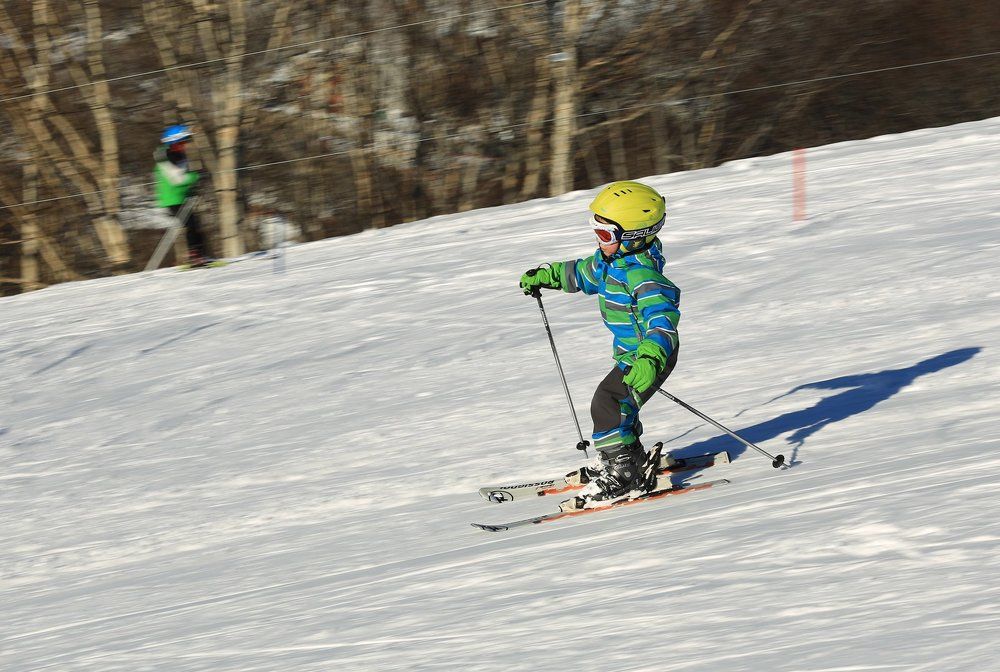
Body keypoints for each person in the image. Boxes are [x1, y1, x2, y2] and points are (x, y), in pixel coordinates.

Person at [519, 180, 681, 510]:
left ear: (633, 236)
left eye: (605, 235)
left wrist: (651, 358)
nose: (598, 240)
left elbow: (663, 320)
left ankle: (623, 475)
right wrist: (549, 276)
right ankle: (624, 456)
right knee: (620, 406)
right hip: (632, 355)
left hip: (652, 355)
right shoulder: (610, 264)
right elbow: (582, 274)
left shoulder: (643, 277)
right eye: (596, 231)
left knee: (606, 403)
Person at [154, 125, 208, 265]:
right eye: (182, 143)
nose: (184, 146)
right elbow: (177, 180)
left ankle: (199, 254)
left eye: (185, 142)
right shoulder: (164, 159)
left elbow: (184, 178)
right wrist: (196, 176)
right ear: (173, 143)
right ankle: (195, 255)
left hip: (181, 197)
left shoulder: (180, 156)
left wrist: (191, 189)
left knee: (195, 225)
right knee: (191, 225)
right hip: (172, 200)